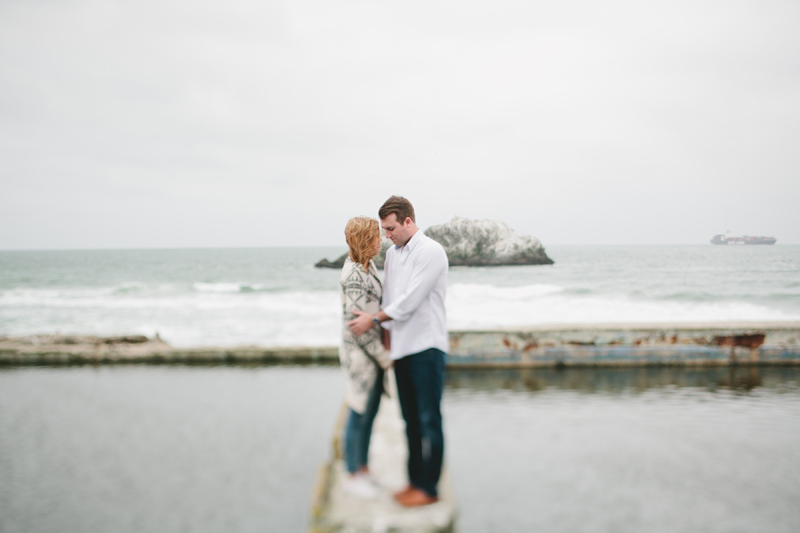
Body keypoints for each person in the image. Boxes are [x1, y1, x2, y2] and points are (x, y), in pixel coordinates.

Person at [349, 196, 448, 507]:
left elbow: (410, 300)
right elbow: (390, 294)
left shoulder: (430, 251)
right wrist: (388, 340)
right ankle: (414, 482)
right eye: (383, 229)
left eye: (390, 228)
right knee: (410, 421)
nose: (386, 235)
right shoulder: (392, 254)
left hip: (427, 348)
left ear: (408, 221)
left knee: (429, 420)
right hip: (403, 349)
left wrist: (374, 320)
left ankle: (429, 489)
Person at [338, 216, 392, 500]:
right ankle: (351, 474)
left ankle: (362, 467)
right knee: (357, 413)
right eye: (375, 236)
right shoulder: (355, 277)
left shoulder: (366, 267)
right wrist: (385, 357)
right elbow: (360, 328)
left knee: (369, 415)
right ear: (363, 240)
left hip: (370, 356)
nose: (380, 239)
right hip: (362, 357)